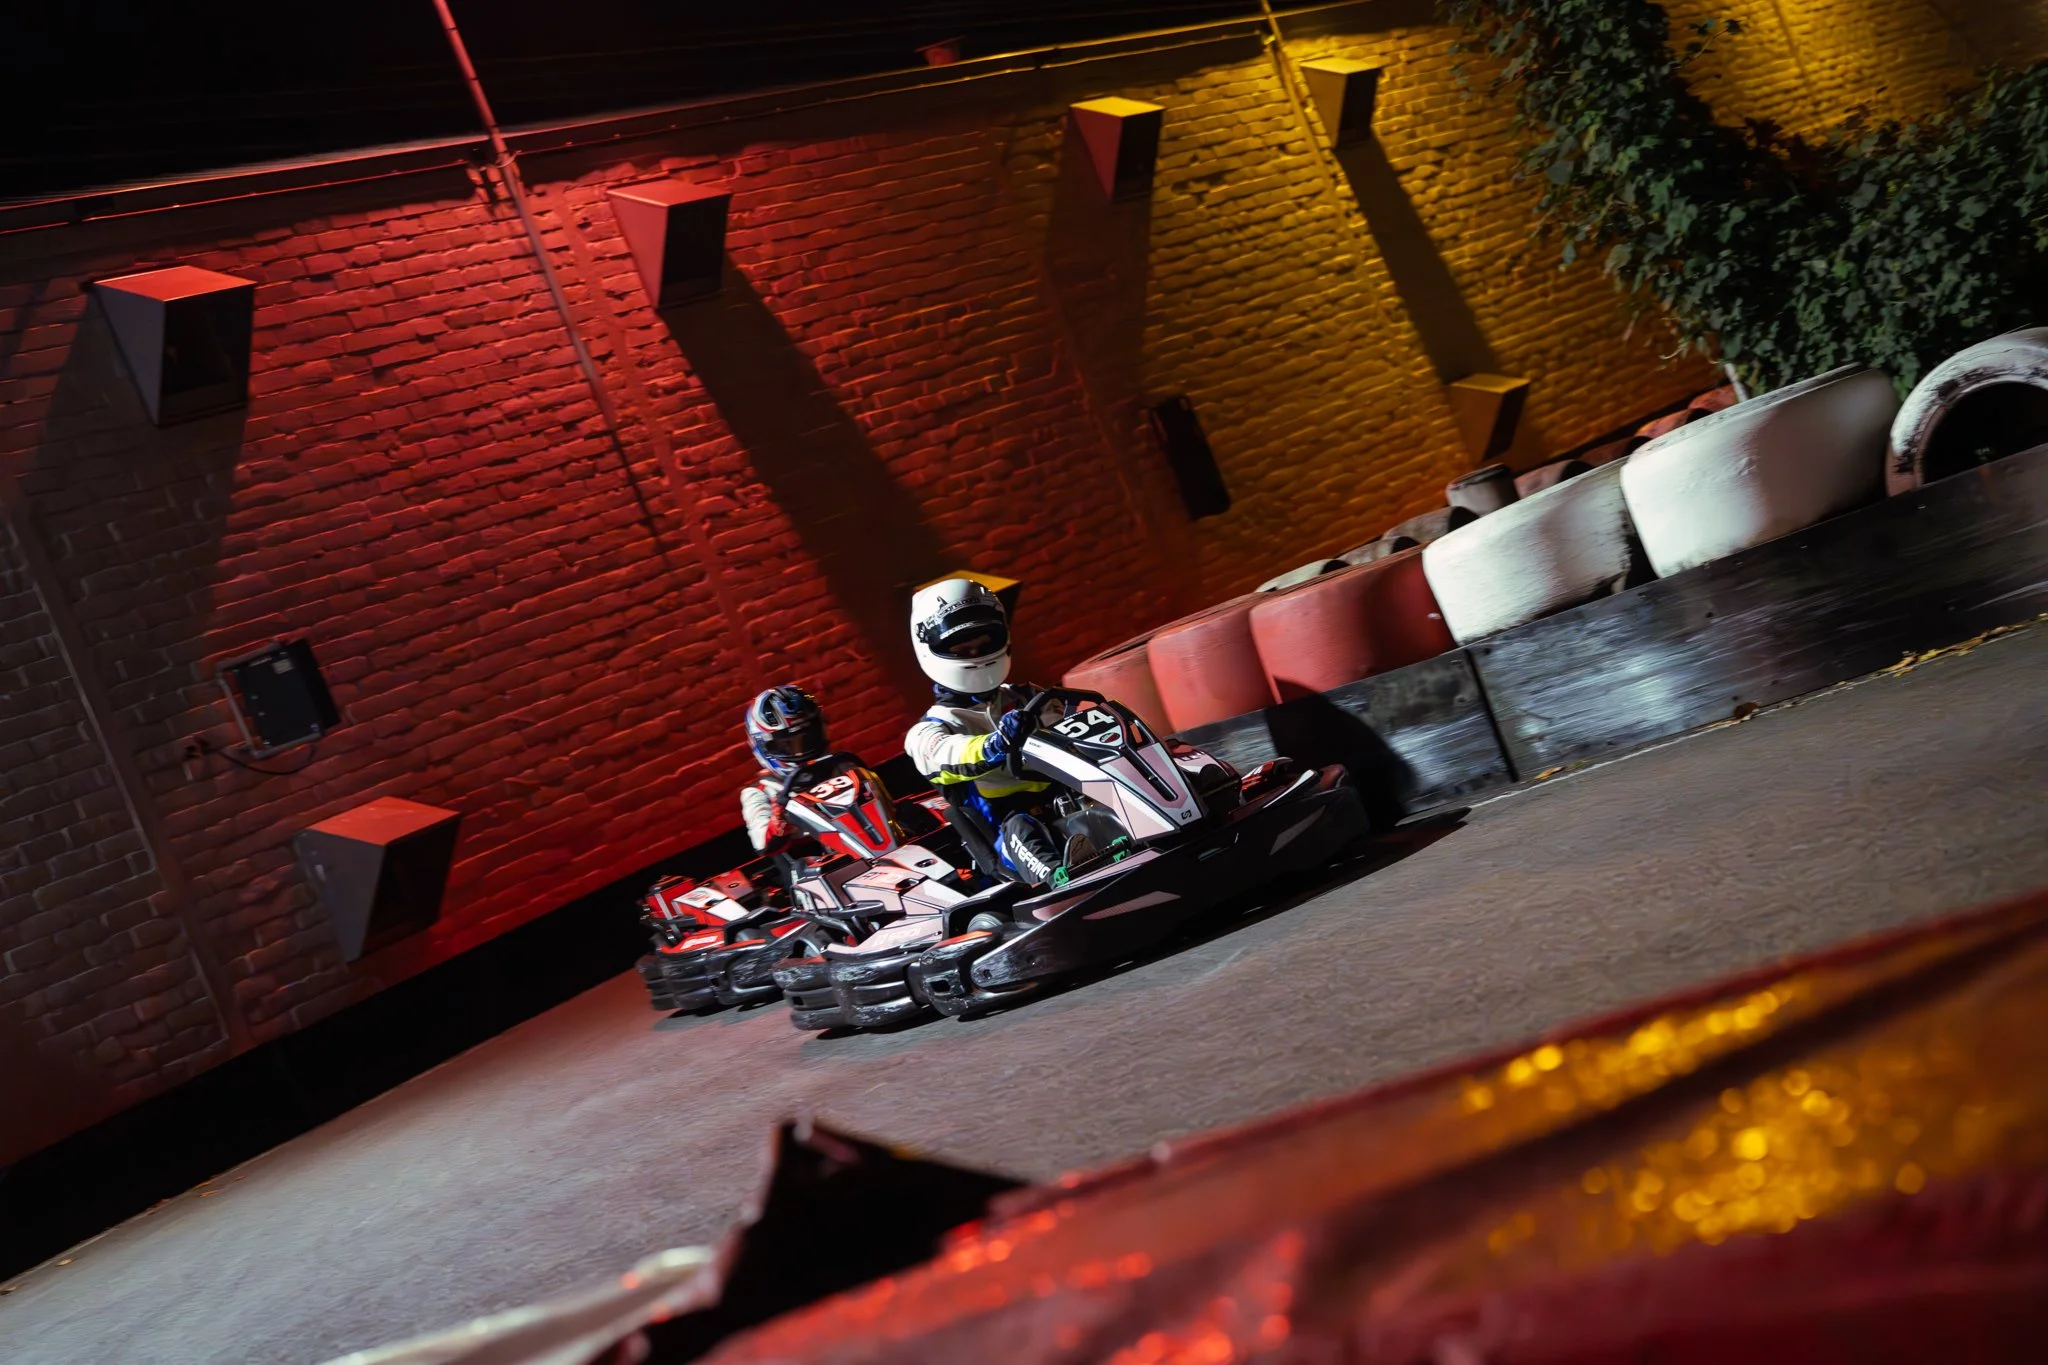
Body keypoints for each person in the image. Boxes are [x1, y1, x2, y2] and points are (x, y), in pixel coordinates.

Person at [901, 578, 1093, 887]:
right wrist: (994, 744)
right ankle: (1064, 880)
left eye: (985, 643)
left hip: (1066, 798)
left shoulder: (1027, 695)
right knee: (1022, 826)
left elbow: (1068, 732)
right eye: (962, 647)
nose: (976, 653)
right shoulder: (929, 729)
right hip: (1005, 831)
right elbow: (948, 753)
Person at [740, 685, 857, 869]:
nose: (801, 750)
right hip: (810, 874)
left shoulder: (840, 765)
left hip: (861, 849)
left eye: (807, 738)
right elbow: (762, 843)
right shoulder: (759, 791)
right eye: (788, 744)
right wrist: (779, 821)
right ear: (763, 747)